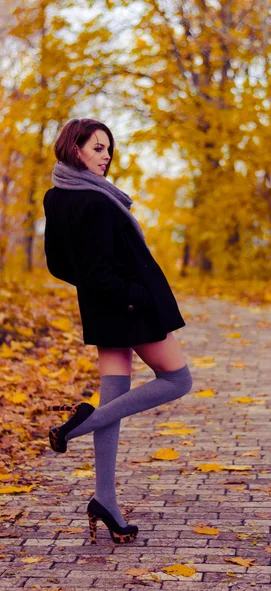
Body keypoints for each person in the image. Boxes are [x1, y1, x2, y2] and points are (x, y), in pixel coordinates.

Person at [43, 118, 193, 545]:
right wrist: (134, 296)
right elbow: (98, 266)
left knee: (115, 399)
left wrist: (94, 289)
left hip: (104, 309)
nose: (106, 156)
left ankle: (104, 499)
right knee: (178, 380)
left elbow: (59, 264)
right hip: (129, 308)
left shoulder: (57, 197)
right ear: (75, 149)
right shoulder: (92, 200)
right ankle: (77, 426)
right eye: (97, 148)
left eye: (108, 148)